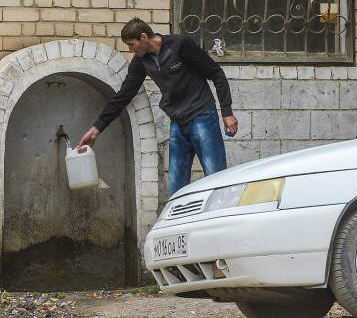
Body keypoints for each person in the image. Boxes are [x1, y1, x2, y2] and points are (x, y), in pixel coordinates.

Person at [76, 18, 238, 197]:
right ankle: (177, 225)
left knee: (215, 178)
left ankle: (222, 221)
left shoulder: (179, 44)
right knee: (176, 187)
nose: (131, 50)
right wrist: (96, 129)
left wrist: (227, 111)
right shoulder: (140, 62)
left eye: (132, 44)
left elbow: (216, 73)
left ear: (144, 37)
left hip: (201, 115)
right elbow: (124, 95)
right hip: (178, 121)